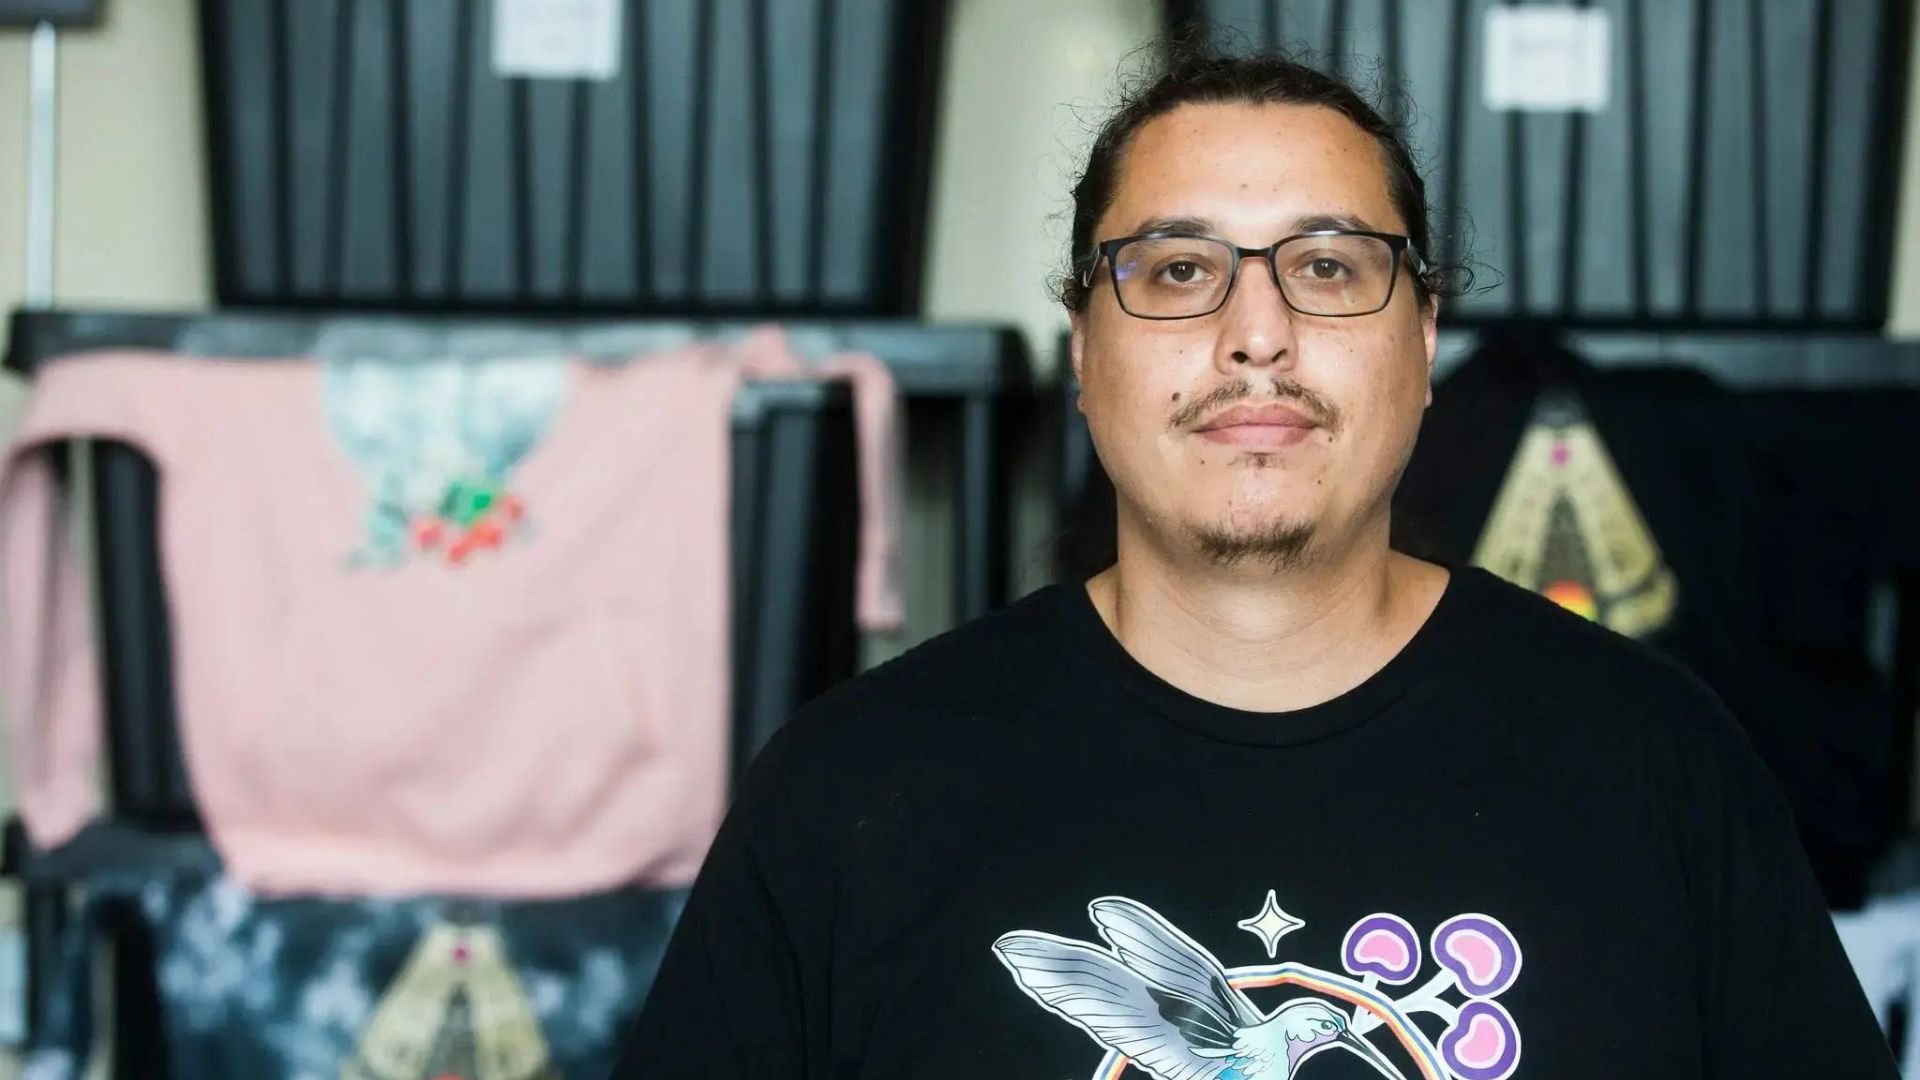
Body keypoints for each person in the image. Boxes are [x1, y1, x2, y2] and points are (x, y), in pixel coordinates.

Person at [614, 49, 1895, 1079]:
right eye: (1180, 270)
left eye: (1328, 267)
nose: (1257, 334)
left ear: (1424, 338)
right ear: (1082, 348)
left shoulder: (1658, 763)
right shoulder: (847, 796)